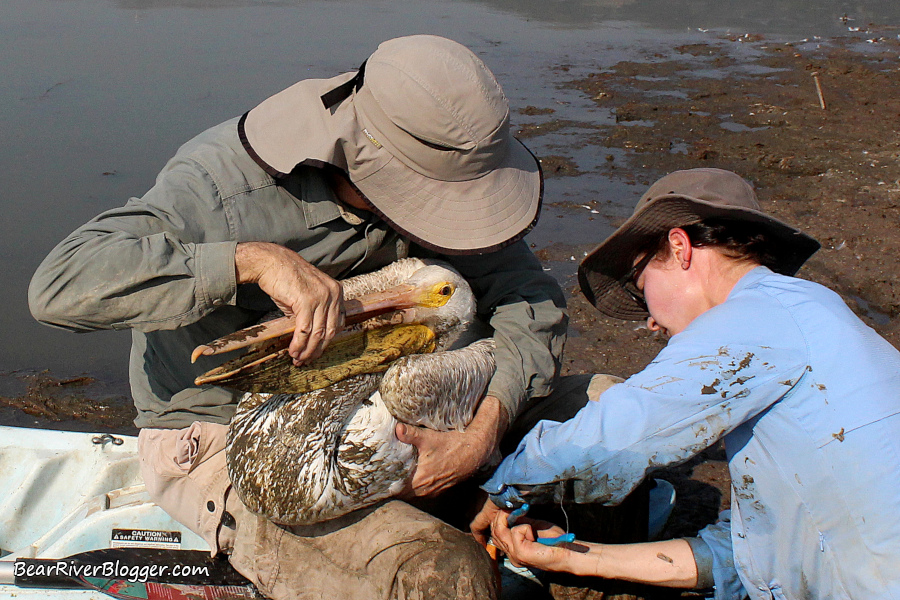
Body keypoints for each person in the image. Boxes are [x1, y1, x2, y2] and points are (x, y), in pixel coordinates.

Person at [29, 35, 569, 599]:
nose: (452, 214)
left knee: (605, 418)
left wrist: (486, 428)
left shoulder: (450, 164)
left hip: (400, 399)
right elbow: (60, 285)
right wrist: (249, 261)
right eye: (436, 199)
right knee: (440, 578)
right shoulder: (219, 187)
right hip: (237, 433)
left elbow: (528, 299)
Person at [471, 168, 900, 599]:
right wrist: (575, 556)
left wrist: (504, 489)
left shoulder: (754, 319)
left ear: (680, 248)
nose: (652, 321)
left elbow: (619, 434)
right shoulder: (814, 314)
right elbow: (748, 556)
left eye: (641, 289)